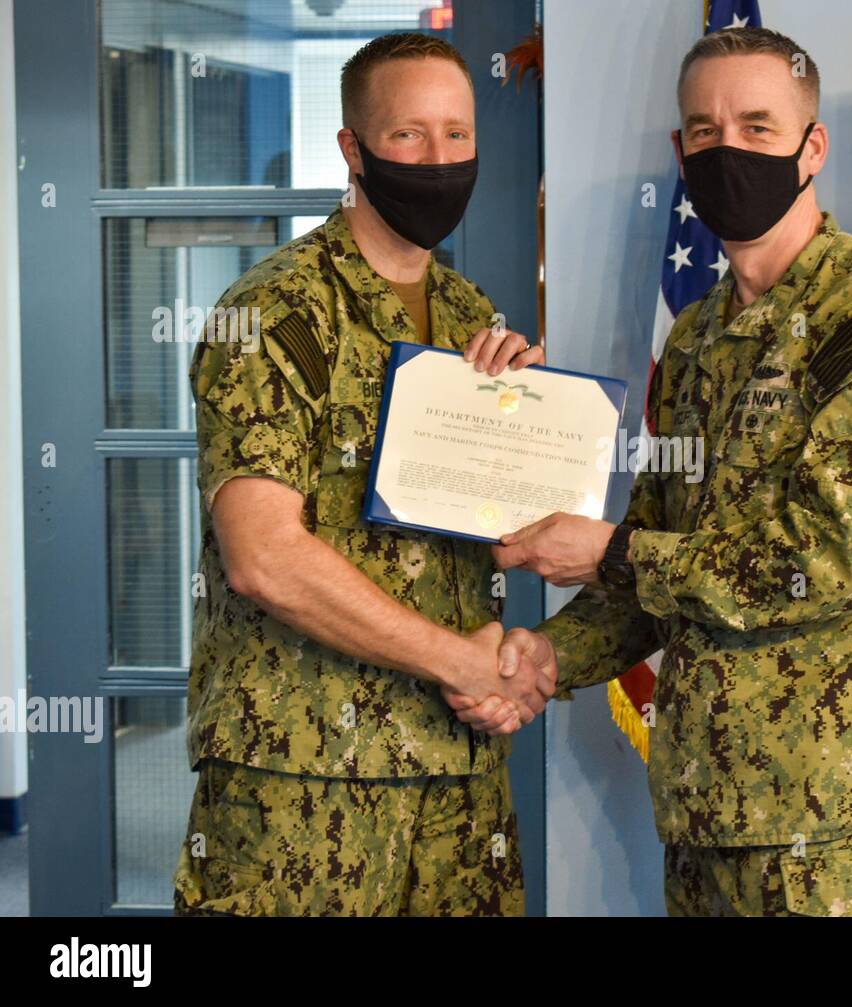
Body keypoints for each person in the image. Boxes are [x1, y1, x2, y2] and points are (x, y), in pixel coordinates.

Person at [451, 26, 852, 917]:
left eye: (758, 128)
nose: (728, 149)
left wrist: (614, 550)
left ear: (813, 146)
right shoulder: (694, 339)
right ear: (680, 153)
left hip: (832, 816)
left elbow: (822, 560)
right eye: (704, 131)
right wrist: (544, 654)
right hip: (704, 802)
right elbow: (655, 564)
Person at [172, 31, 553, 917]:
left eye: (456, 135)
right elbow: (262, 556)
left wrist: (529, 437)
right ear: (353, 148)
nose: (438, 158)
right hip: (305, 782)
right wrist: (459, 657)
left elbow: (493, 543)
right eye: (409, 135)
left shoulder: (469, 316)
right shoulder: (273, 311)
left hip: (457, 777)